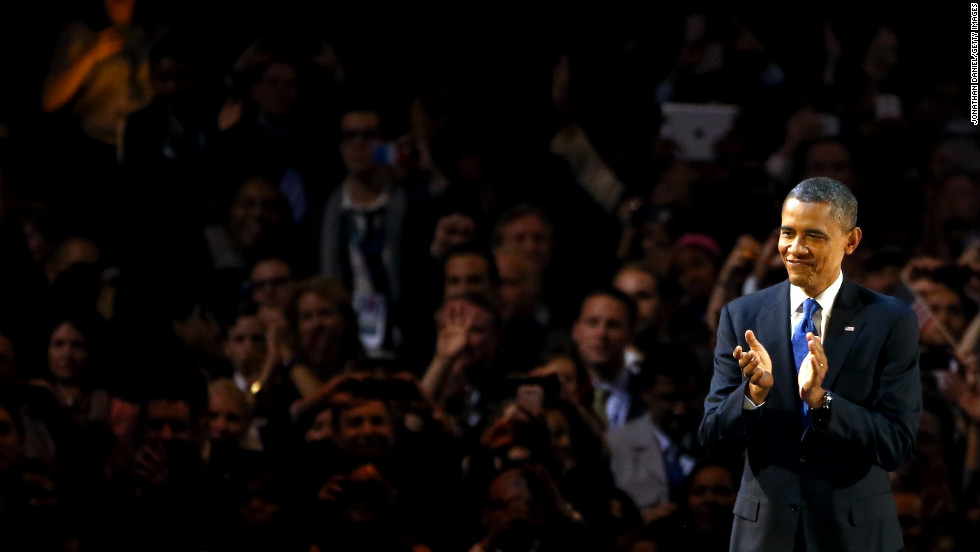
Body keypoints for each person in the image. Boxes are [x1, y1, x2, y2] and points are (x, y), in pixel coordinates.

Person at [699, 176, 922, 551]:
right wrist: (753, 395)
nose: (795, 249)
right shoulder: (742, 316)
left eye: (814, 236)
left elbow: (896, 444)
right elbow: (712, 440)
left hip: (855, 537)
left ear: (850, 241)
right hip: (765, 536)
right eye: (788, 233)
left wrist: (823, 402)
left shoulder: (890, 320)